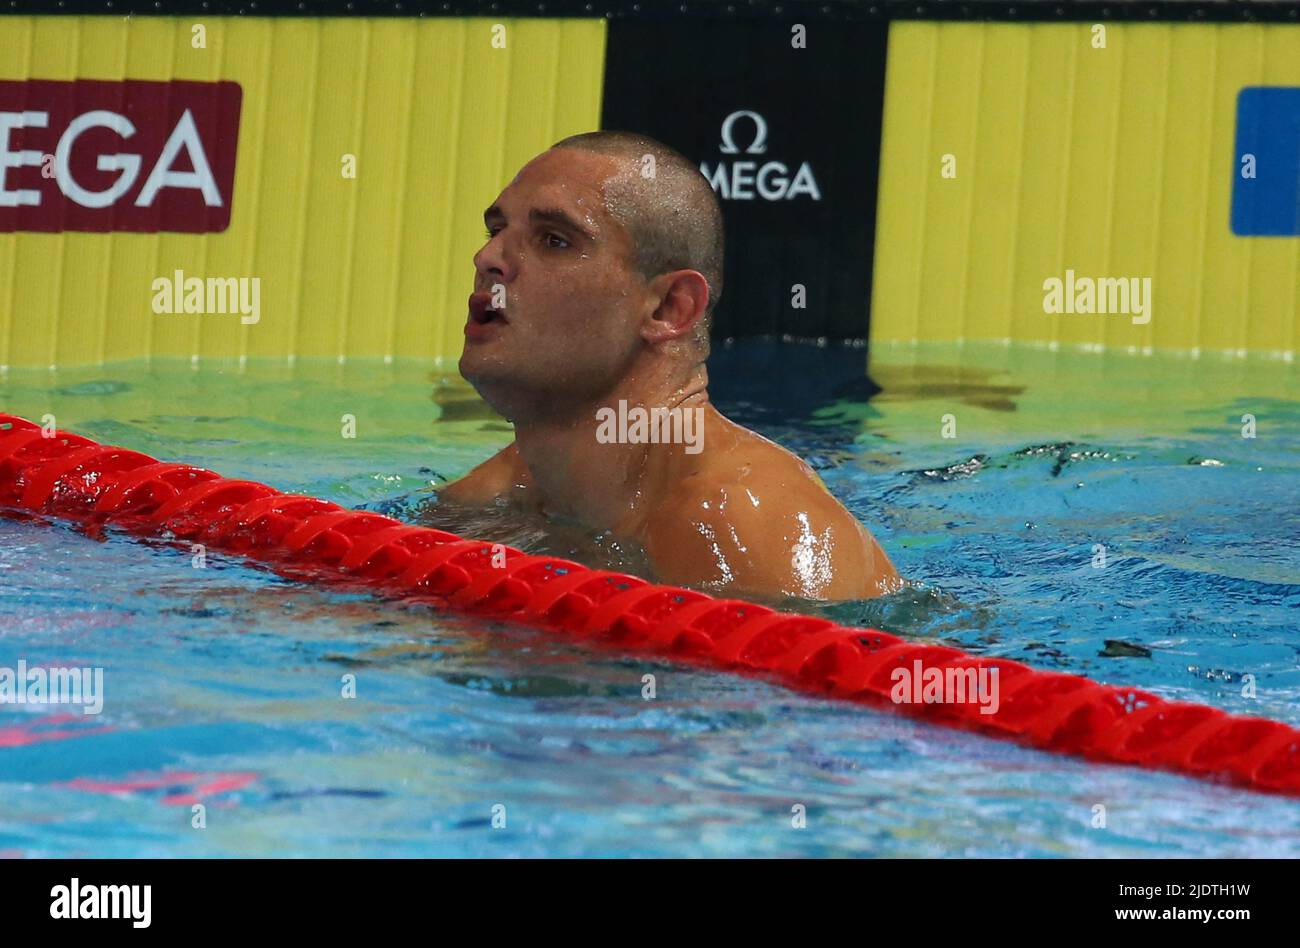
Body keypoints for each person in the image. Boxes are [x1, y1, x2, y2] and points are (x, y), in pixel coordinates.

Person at [439, 130, 900, 602]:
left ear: (669, 309)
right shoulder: (503, 494)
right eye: (497, 231)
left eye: (555, 240)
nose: (488, 258)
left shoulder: (741, 520)